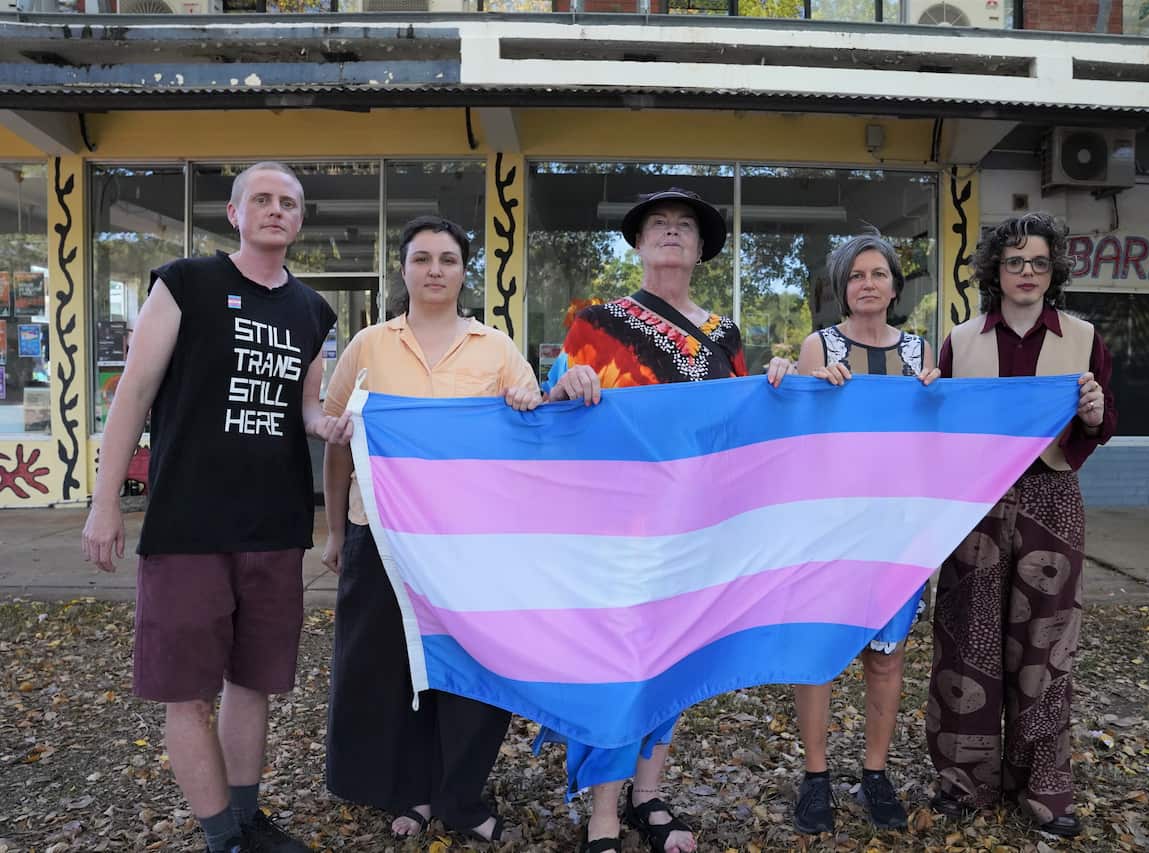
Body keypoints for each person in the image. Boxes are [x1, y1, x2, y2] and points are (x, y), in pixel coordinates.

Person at [81, 161, 348, 853]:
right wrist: (104, 502)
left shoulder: (313, 311)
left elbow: (307, 408)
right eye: (260, 199)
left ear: (299, 219)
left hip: (273, 524)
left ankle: (248, 816)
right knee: (187, 692)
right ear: (234, 213)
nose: (275, 210)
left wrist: (329, 426)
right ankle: (221, 834)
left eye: (287, 202)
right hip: (187, 524)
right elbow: (132, 395)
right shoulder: (184, 283)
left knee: (252, 682)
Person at [321, 215, 589, 844]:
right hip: (380, 538)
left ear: (464, 272)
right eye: (421, 259)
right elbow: (338, 442)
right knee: (389, 671)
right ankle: (406, 791)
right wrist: (335, 532)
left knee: (472, 671)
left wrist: (539, 402)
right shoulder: (368, 346)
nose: (434, 270)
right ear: (404, 270)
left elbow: (536, 437)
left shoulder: (495, 349)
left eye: (447, 259)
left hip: (472, 546)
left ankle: (461, 795)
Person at [546, 187, 743, 853]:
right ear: (637, 242)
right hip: (616, 524)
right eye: (658, 223)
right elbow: (559, 409)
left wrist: (778, 382)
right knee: (615, 658)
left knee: (676, 659)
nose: (671, 232)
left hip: (693, 526)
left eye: (684, 226)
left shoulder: (724, 336)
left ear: (700, 249)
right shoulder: (595, 323)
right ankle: (605, 808)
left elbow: (738, 426)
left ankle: (649, 793)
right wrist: (566, 386)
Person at [926, 212, 1115, 838]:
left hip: (1052, 499)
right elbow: (941, 428)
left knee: (1046, 644)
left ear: (1053, 269)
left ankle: (1042, 785)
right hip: (976, 504)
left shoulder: (1085, 338)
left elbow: (1102, 420)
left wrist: (1093, 413)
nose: (1027, 272)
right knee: (967, 637)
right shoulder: (962, 340)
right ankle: (963, 780)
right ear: (996, 272)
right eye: (1014, 262)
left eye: (1038, 261)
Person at [760, 232, 941, 835]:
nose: (868, 283)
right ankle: (816, 778)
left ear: (895, 285)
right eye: (857, 274)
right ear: (842, 287)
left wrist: (937, 402)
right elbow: (795, 440)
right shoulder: (820, 346)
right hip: (829, 534)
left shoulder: (922, 356)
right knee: (818, 658)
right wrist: (796, 381)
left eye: (879, 273)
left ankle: (875, 773)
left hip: (897, 535)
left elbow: (938, 444)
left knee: (886, 662)